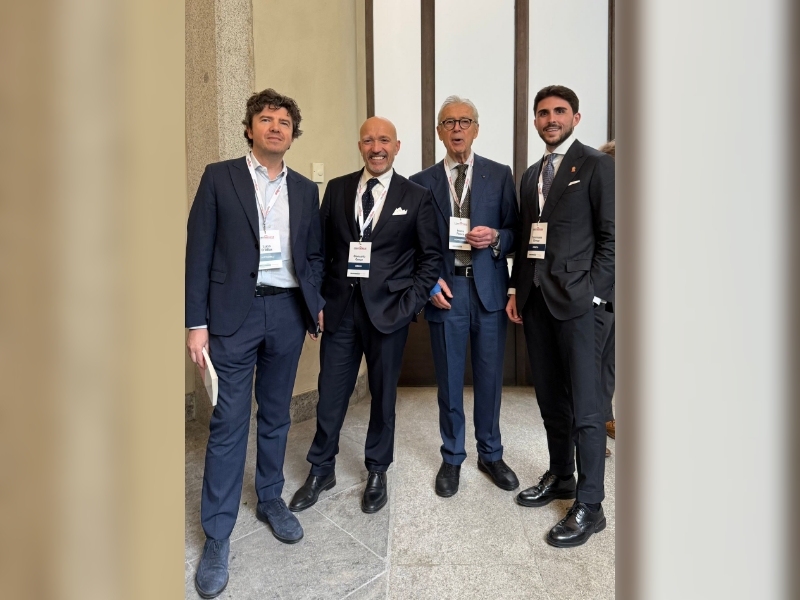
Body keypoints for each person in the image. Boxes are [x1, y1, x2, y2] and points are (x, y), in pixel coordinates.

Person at [185, 89, 324, 598]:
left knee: (277, 415)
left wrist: (314, 301)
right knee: (228, 422)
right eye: (266, 119)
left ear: (292, 133)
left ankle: (270, 498)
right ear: (250, 128)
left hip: (286, 313)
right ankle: (217, 533)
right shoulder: (218, 177)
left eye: (284, 121)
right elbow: (198, 252)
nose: (275, 127)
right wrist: (195, 323)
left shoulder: (305, 189)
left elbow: (313, 255)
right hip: (231, 318)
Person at [290, 116, 441, 515]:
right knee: (330, 394)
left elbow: (431, 260)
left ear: (396, 146)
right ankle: (321, 468)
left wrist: (409, 305)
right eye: (369, 140)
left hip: (389, 313)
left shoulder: (417, 196)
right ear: (360, 146)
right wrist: (316, 302)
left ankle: (377, 469)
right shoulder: (337, 189)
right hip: (339, 310)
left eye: (384, 140)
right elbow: (319, 251)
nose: (377, 148)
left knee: (383, 396)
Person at [506, 85, 614, 548]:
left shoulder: (597, 165)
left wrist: (594, 296)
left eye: (560, 111)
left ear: (576, 117)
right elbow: (527, 237)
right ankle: (562, 475)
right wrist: (517, 288)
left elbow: (613, 237)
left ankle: (591, 505)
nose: (551, 119)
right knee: (551, 401)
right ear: (535, 120)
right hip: (537, 303)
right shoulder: (532, 175)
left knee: (587, 409)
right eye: (543, 112)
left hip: (580, 306)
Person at [409, 96, 519, 497]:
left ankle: (490, 454)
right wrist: (428, 284)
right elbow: (413, 245)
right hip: (446, 291)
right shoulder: (420, 182)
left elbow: (516, 233)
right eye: (449, 122)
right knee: (450, 380)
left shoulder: (499, 174)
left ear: (476, 128)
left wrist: (496, 237)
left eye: (464, 121)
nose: (457, 128)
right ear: (439, 132)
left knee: (489, 379)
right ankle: (452, 456)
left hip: (488, 291)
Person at [596, 140, 616, 456]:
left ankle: (605, 417)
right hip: (598, 293)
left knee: (611, 360)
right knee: (592, 360)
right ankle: (590, 431)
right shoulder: (596, 198)